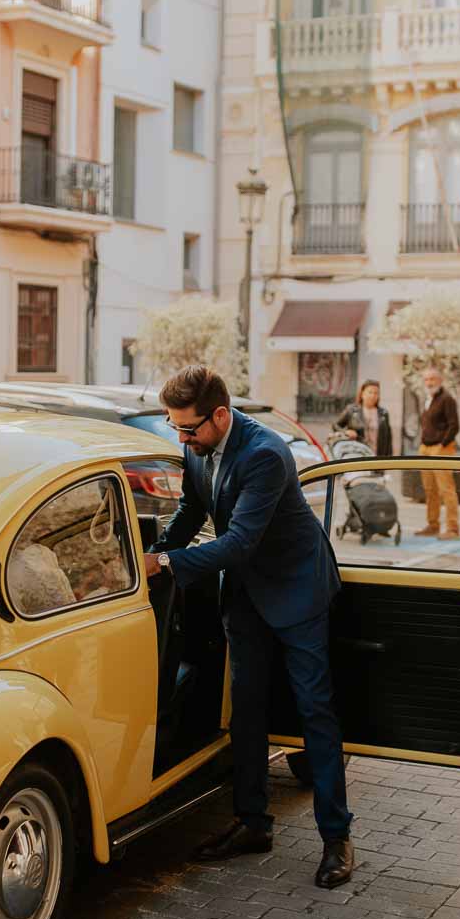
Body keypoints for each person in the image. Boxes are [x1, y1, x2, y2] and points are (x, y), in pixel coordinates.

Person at [145, 365, 354, 889]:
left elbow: (239, 542)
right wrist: (151, 554)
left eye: (188, 429)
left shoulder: (264, 454)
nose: (181, 438)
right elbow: (192, 512)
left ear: (220, 415)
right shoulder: (196, 448)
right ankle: (253, 824)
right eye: (174, 427)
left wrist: (169, 566)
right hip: (244, 596)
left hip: (296, 589)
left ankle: (337, 838)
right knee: (246, 710)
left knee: (316, 712)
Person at [419, 366, 460, 539]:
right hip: (425, 447)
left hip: (441, 447)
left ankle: (453, 529)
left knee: (446, 489)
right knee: (429, 489)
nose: (429, 383)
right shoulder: (429, 399)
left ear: (440, 380)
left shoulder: (447, 399)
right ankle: (432, 524)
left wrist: (442, 445)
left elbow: (454, 425)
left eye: (432, 379)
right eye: (426, 379)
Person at [334, 380, 393, 456]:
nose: (373, 395)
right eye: (370, 392)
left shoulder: (384, 413)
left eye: (376, 393)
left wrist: (389, 459)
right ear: (362, 394)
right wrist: (346, 432)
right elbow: (335, 425)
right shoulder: (352, 410)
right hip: (357, 454)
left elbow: (389, 439)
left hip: (378, 457)